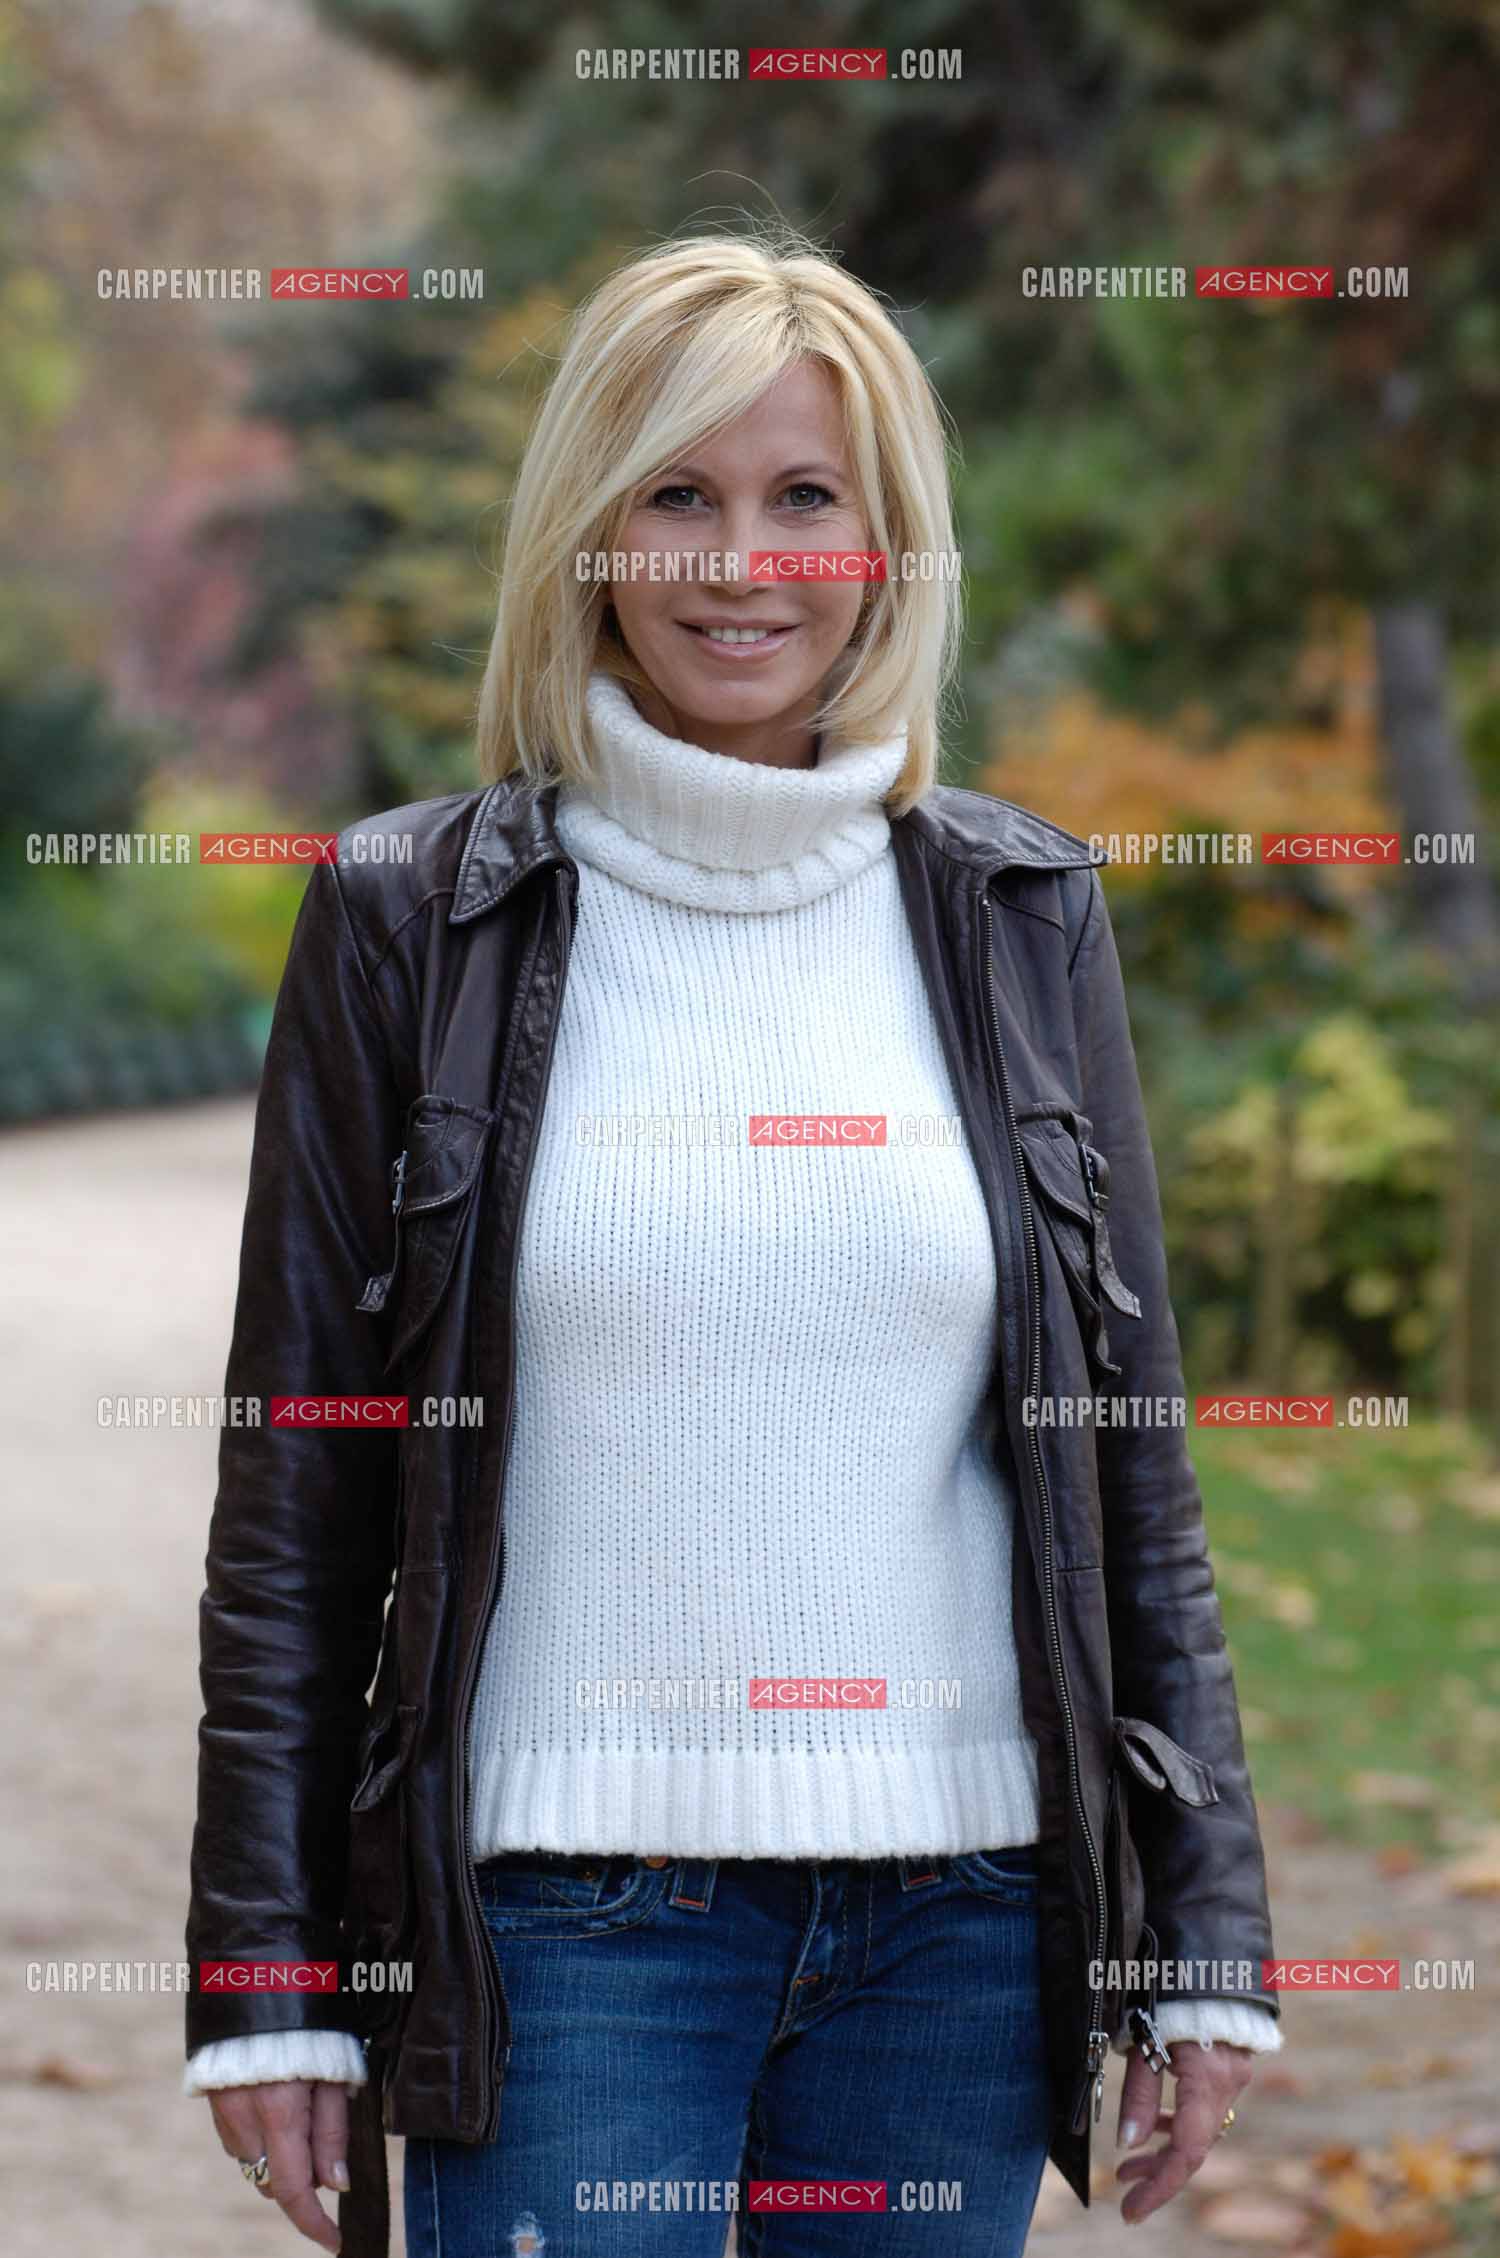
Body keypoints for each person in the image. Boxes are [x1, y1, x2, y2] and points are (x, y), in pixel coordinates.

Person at [183, 227, 1283, 2258]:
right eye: (677, 494)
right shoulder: (409, 919)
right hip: (557, 1922)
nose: (741, 562)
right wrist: (267, 1972)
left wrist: (1204, 1927)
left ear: (889, 544)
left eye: (805, 499)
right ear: (587, 530)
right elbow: (298, 1499)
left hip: (963, 1919)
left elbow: (1128, 1455)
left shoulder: (1022, 912)